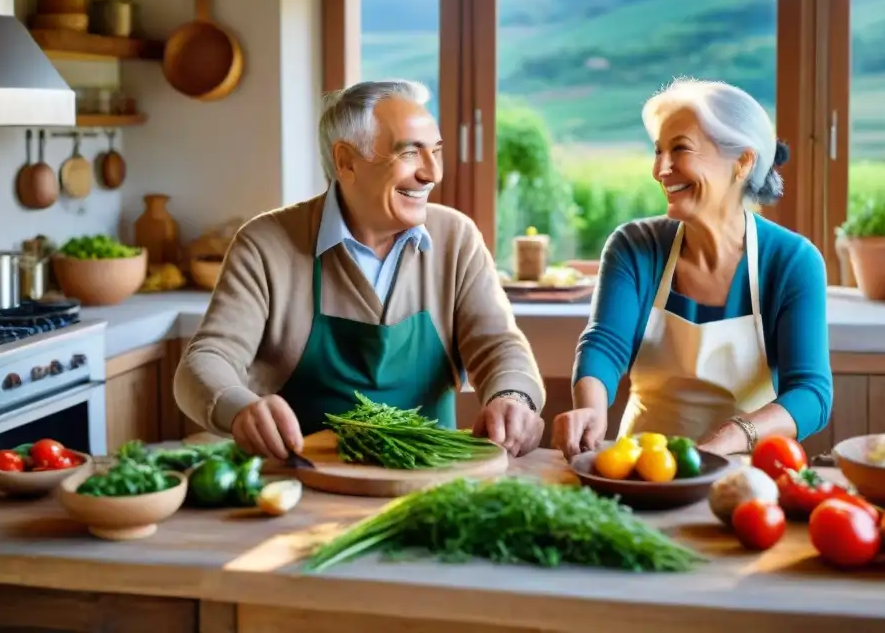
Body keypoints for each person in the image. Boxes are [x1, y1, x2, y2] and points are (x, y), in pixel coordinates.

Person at [175, 80, 546, 460]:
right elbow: (207, 359)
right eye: (410, 154)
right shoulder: (265, 244)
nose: (432, 173)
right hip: (301, 482)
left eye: (436, 152)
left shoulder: (456, 238)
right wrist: (239, 407)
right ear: (346, 161)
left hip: (432, 482)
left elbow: (498, 343)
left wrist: (513, 397)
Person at [552, 78, 832, 459]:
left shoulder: (792, 261)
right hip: (639, 467)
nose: (660, 169)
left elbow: (811, 393)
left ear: (742, 162)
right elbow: (605, 343)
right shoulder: (634, 246)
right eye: (658, 151)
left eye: (679, 149)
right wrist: (591, 407)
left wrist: (737, 434)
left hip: (745, 471)